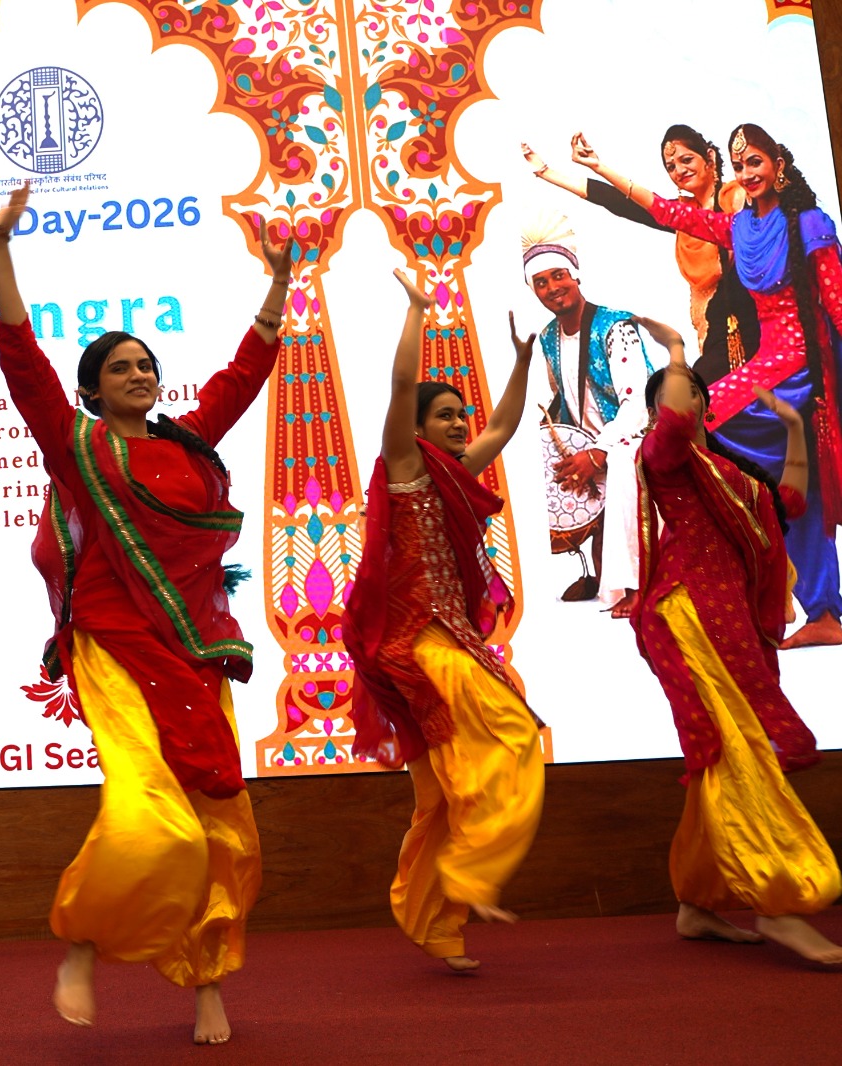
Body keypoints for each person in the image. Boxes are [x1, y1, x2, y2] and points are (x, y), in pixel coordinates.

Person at [0, 182, 280, 1045]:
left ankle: (207, 979)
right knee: (149, 807)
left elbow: (244, 375)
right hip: (113, 643)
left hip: (195, 645)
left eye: (146, 365)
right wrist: (1, 249)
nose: (140, 375)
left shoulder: (186, 440)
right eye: (120, 368)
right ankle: (83, 937)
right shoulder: (77, 446)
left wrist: (278, 286)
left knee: (222, 818)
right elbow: (22, 362)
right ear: (90, 391)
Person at [572, 125, 842, 648]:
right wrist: (600, 167)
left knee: (708, 424)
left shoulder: (809, 225)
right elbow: (667, 212)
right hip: (766, 365)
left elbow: (837, 301)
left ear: (779, 165)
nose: (749, 173)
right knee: (779, 483)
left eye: (757, 162)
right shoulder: (740, 228)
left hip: (801, 370)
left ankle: (773, 585)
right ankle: (811, 606)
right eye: (742, 167)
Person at [343, 270, 544, 972]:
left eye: (462, 415)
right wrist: (417, 314)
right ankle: (472, 872)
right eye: (446, 416)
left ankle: (435, 920)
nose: (461, 425)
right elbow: (402, 390)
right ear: (419, 429)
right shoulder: (407, 467)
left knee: (434, 797)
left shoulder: (461, 469)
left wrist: (520, 360)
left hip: (452, 638)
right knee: (512, 730)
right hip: (415, 642)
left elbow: (505, 425)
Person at [629, 315, 840, 964]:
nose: (687, 391)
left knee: (721, 757)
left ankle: (699, 901)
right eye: (677, 386)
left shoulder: (726, 473)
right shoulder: (664, 457)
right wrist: (672, 350)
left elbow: (794, 501)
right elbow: (669, 426)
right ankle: (778, 902)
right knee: (741, 752)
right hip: (688, 615)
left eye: (691, 385)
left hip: (732, 626)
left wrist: (796, 428)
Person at [524, 127, 757, 379]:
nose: (679, 171)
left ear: (709, 157)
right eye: (670, 166)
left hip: (752, 325)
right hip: (714, 333)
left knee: (692, 399)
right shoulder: (684, 217)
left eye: (686, 160)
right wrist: (548, 172)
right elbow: (620, 202)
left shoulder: (737, 198)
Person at [521, 213, 653, 615]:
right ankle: (597, 574)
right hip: (588, 447)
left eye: (558, 275)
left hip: (636, 438)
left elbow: (638, 401)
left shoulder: (617, 326)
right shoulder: (547, 337)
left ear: (575, 275)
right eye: (540, 282)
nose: (551, 288)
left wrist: (598, 452)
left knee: (626, 466)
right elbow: (561, 396)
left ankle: (636, 585)